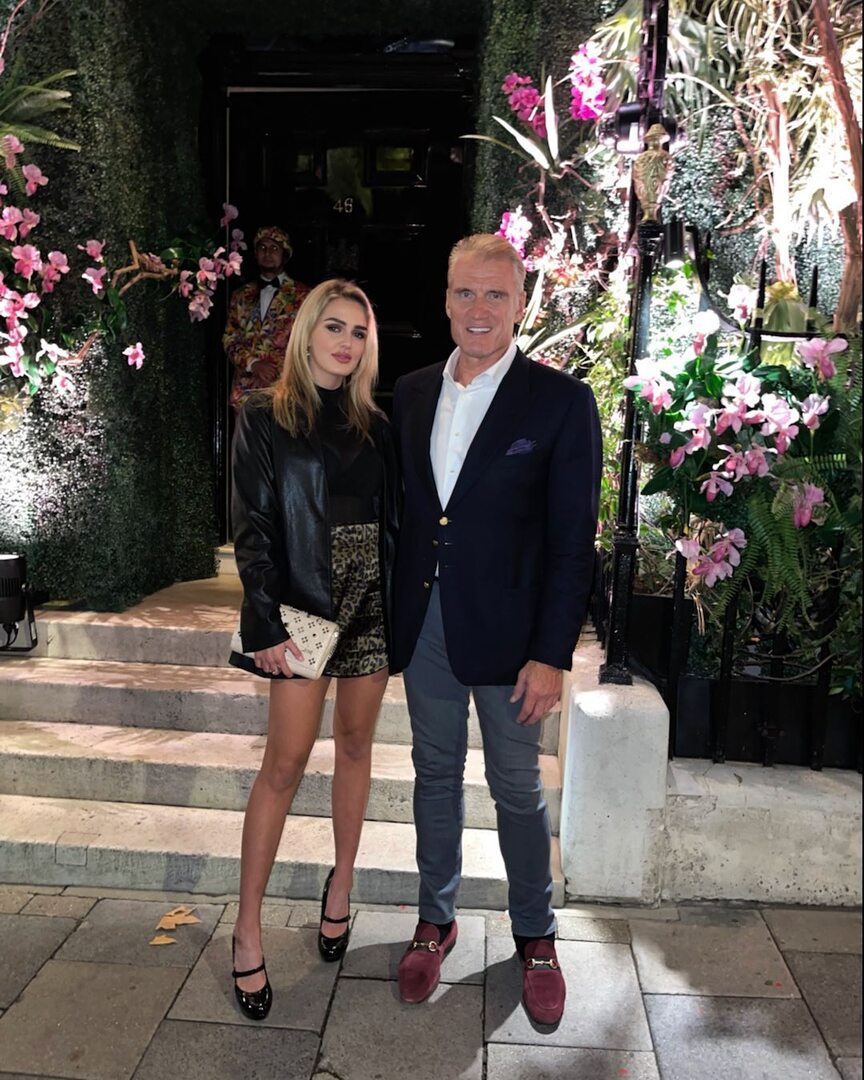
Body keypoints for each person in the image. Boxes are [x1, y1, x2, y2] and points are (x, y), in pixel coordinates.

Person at [390, 233, 601, 1027]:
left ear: (520, 304)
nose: (478, 309)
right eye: (464, 293)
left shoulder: (559, 401)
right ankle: (435, 919)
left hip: (515, 642)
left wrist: (551, 655)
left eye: (495, 294)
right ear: (446, 299)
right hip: (428, 626)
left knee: (516, 786)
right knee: (433, 774)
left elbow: (572, 542)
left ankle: (535, 935)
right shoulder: (411, 391)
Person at [228, 279, 399, 1021]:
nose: (346, 342)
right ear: (306, 332)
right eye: (334, 326)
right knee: (285, 764)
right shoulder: (264, 414)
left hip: (371, 602)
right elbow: (254, 526)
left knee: (356, 746)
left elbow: (396, 524)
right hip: (302, 602)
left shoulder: (377, 425)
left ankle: (342, 885)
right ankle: (247, 928)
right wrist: (265, 623)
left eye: (359, 332)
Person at [223, 225, 311, 411]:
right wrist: (253, 364)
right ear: (255, 253)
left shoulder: (304, 296)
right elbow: (230, 339)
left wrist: (276, 372)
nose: (268, 253)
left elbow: (310, 344)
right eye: (262, 247)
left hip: (287, 394)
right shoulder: (241, 295)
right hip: (245, 395)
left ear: (285, 254)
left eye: (274, 248)